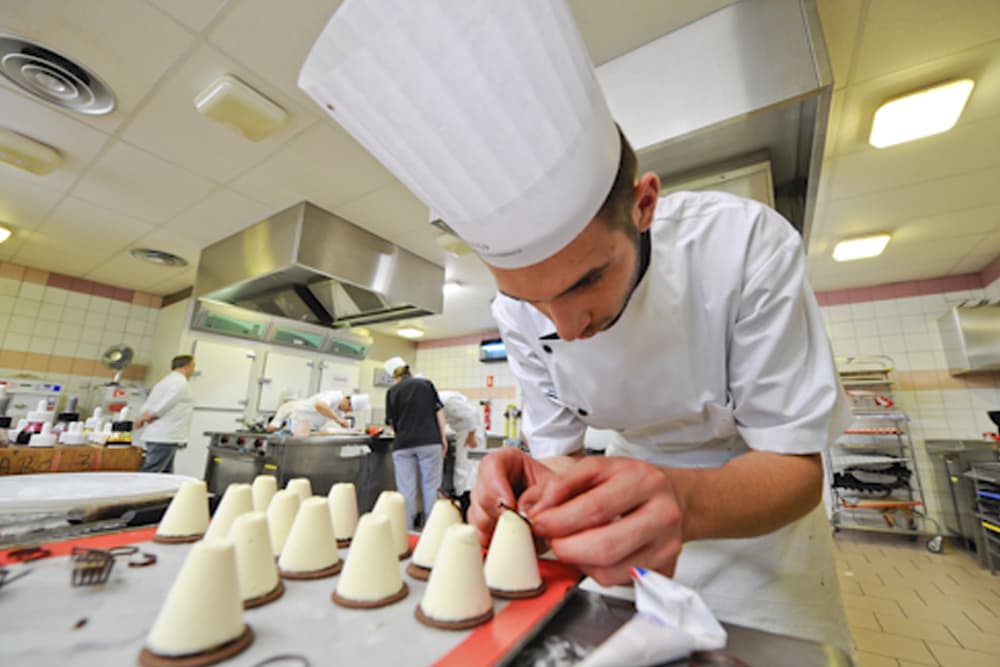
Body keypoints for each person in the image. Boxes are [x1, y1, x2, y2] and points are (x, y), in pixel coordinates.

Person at [299, 1, 851, 654]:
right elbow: (561, 454)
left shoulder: (744, 247)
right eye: (531, 300)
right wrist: (534, 481)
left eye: (585, 280)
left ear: (644, 204)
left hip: (762, 553)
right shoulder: (517, 316)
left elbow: (796, 465)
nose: (568, 325)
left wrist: (682, 499)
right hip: (617, 552)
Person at [384, 357, 447, 530]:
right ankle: (432, 531)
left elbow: (391, 423)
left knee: (406, 490)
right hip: (429, 442)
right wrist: (443, 438)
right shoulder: (426, 384)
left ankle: (407, 531)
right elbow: (439, 411)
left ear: (395, 377)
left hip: (403, 445)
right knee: (431, 487)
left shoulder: (392, 391)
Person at [136, 355, 196, 474]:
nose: (194, 370)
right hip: (165, 436)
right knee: (152, 472)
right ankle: (140, 491)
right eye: (193, 366)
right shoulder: (180, 383)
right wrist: (151, 415)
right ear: (187, 366)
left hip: (161, 435)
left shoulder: (164, 382)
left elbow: (149, 404)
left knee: (166, 474)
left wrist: (145, 415)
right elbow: (166, 403)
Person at [438, 391, 484, 516]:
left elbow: (472, 415)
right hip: (464, 432)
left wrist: (471, 436)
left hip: (470, 433)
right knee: (463, 471)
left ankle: (467, 506)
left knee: (466, 471)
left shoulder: (445, 400)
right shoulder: (439, 400)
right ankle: (465, 503)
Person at [267, 391, 370, 433]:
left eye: (350, 411)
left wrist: (354, 431)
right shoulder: (335, 396)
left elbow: (344, 427)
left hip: (308, 428)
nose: (347, 411)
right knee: (274, 428)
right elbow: (319, 405)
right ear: (347, 398)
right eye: (349, 407)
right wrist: (338, 419)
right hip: (295, 416)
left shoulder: (341, 412)